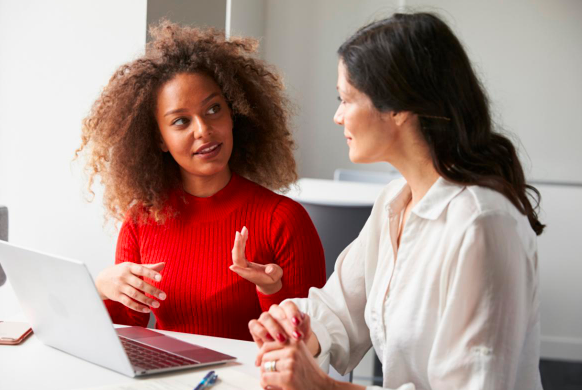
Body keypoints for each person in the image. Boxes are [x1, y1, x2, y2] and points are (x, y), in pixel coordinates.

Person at [248, 12, 544, 389]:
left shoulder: (481, 224)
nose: (338, 116)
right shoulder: (394, 201)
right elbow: (340, 308)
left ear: (399, 108)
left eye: (346, 99)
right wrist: (298, 328)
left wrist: (324, 387)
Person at [76, 21, 326, 341]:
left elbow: (308, 346)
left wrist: (271, 290)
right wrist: (102, 289)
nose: (203, 130)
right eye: (181, 121)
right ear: (160, 139)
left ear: (233, 114)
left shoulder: (284, 220)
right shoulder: (140, 221)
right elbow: (125, 333)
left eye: (213, 109)